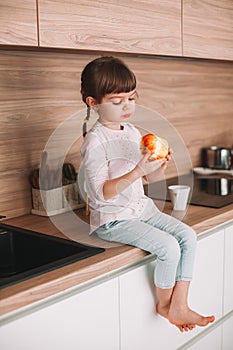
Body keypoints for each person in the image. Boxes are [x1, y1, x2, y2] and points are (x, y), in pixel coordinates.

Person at [80, 56, 215, 332]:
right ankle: (167, 306)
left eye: (131, 98)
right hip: (113, 219)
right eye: (117, 101)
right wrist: (139, 170)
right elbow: (102, 193)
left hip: (140, 209)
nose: (127, 106)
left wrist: (155, 167)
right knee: (168, 246)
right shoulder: (96, 140)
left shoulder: (131, 132)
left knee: (188, 235)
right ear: (93, 103)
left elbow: (148, 177)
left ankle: (180, 303)